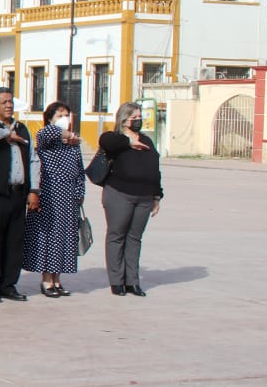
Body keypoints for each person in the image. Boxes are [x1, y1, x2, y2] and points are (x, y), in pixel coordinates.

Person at [0, 87, 40, 302]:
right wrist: (6, 134)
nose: (9, 105)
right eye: (3, 102)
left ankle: (8, 285)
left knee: (14, 242)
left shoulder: (22, 128)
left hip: (18, 193)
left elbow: (33, 159)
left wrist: (33, 190)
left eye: (11, 101)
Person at [99, 101, 163, 296]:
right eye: (133, 117)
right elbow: (106, 142)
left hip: (144, 196)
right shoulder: (115, 139)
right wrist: (128, 141)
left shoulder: (147, 140)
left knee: (135, 238)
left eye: (139, 117)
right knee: (117, 235)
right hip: (119, 193)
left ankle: (132, 281)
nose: (138, 120)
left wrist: (157, 195)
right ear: (124, 120)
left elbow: (155, 168)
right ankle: (117, 281)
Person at [23, 100, 85, 297]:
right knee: (50, 238)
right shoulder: (47, 139)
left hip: (69, 197)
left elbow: (80, 171)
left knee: (65, 238)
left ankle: (57, 278)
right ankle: (46, 280)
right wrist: (63, 132)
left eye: (66, 115)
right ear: (50, 119)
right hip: (49, 196)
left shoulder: (73, 146)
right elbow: (44, 134)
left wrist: (80, 193)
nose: (64, 119)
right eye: (59, 115)